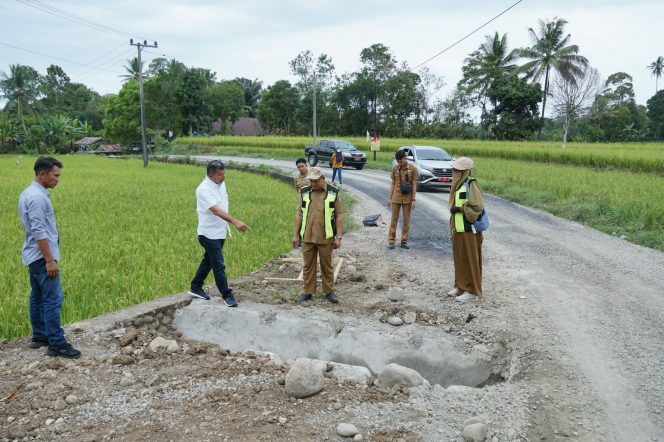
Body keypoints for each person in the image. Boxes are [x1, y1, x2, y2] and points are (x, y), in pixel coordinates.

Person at [18, 156, 81, 359]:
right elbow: (38, 230)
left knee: (37, 297)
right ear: (42, 174)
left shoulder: (28, 193)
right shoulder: (37, 198)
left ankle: (40, 336)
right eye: (55, 175)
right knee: (53, 299)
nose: (58, 179)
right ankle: (57, 343)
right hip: (41, 257)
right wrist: (49, 259)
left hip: (32, 256)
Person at [189, 160, 249, 306]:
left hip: (220, 231)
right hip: (208, 233)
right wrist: (235, 221)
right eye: (220, 174)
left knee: (208, 261)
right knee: (218, 264)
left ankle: (195, 287)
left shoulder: (220, 184)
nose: (223, 176)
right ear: (211, 175)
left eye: (224, 173)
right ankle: (227, 295)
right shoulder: (203, 189)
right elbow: (216, 210)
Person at [291, 167, 345, 303]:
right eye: (311, 181)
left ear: (323, 179)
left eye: (315, 181)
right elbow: (299, 214)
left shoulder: (333, 192)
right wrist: (295, 235)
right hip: (308, 236)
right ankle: (308, 291)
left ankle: (329, 291)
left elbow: (339, 215)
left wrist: (338, 236)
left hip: (326, 236)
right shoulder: (304, 192)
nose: (313, 184)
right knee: (308, 265)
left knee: (327, 265)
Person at [447, 157, 485, 302]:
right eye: (453, 169)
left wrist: (460, 209)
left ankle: (473, 291)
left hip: (470, 230)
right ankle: (461, 287)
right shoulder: (458, 185)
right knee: (460, 259)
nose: (453, 172)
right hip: (458, 229)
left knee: (471, 260)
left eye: (456, 170)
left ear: (464, 171)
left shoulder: (471, 183)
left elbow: (477, 206)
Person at [387, 150, 418, 249]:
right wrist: (389, 198)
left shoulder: (413, 169)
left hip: (408, 198)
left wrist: (414, 200)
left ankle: (404, 241)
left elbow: (414, 185)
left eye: (401, 161)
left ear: (405, 158)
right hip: (396, 197)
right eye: (398, 162)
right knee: (394, 219)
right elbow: (392, 183)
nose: (400, 163)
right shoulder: (395, 169)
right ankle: (391, 240)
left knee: (406, 220)